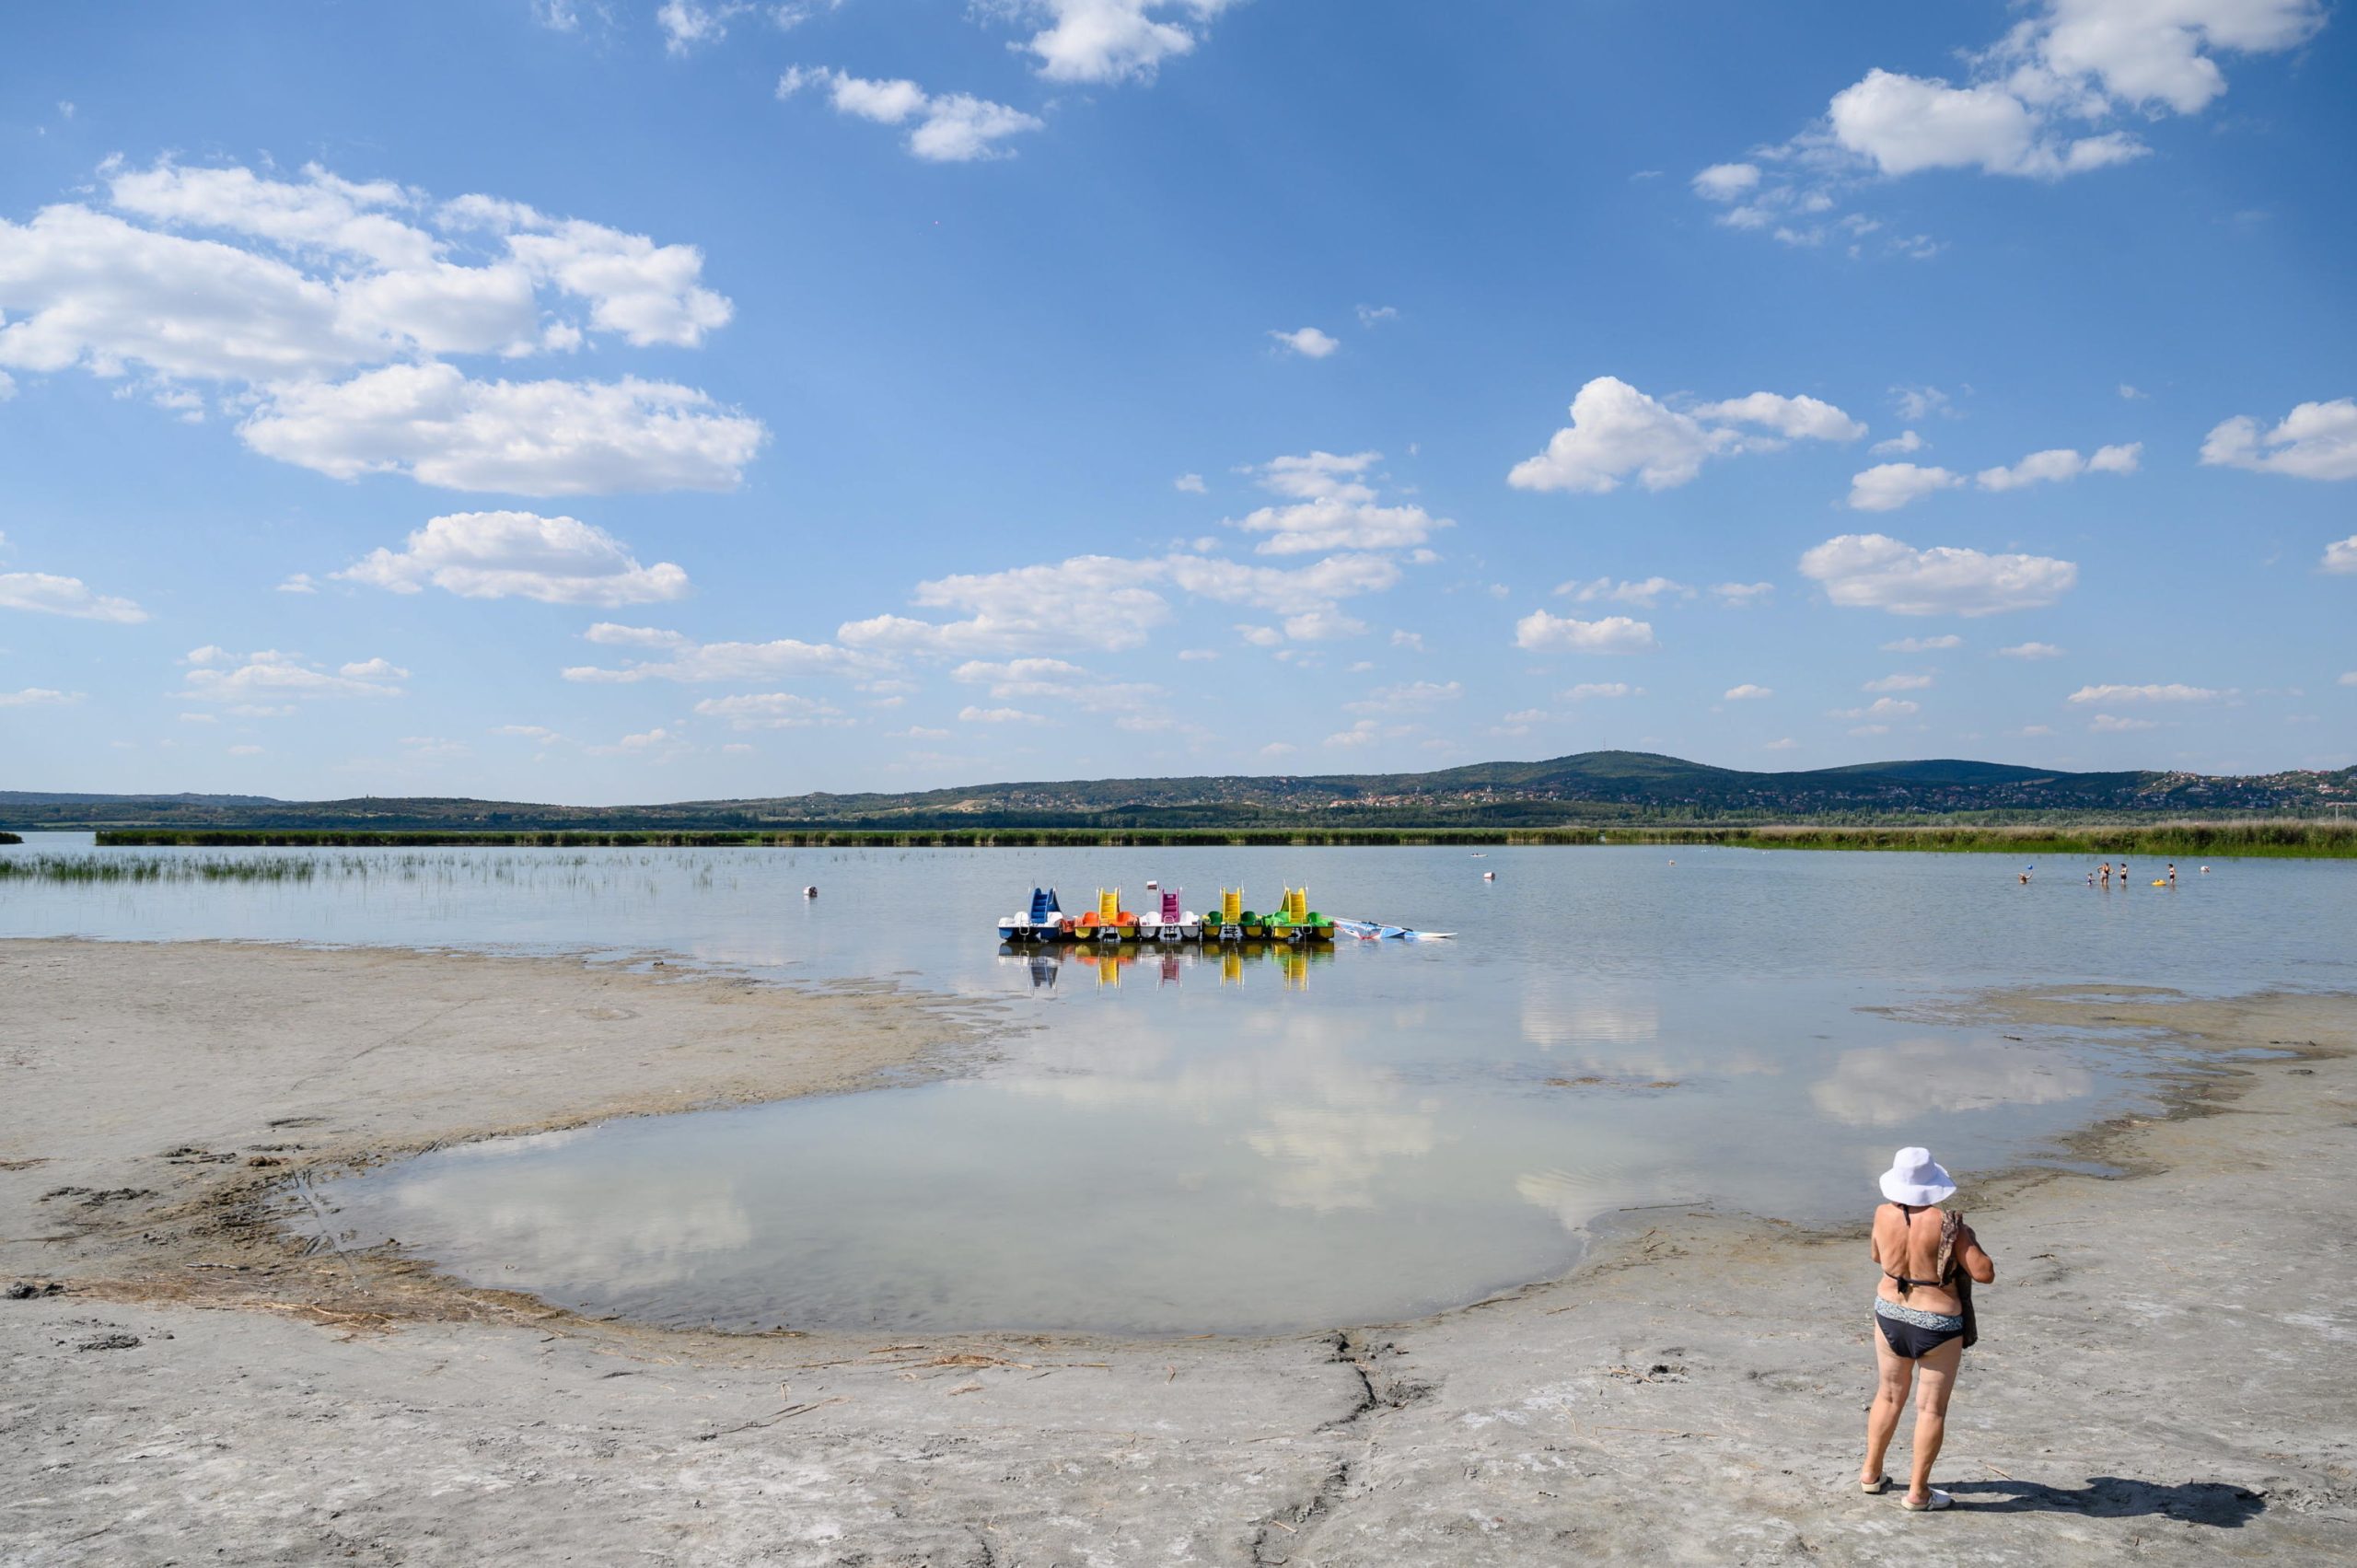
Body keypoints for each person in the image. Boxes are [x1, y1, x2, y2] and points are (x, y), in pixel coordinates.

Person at [1859, 1147, 1997, 1512]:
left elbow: (1878, 1257)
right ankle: (1918, 1493)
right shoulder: (1950, 1226)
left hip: (1889, 1310)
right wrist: (1968, 1240)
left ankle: (1871, 1474)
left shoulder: (1881, 1214)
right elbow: (1985, 1273)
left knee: (1888, 1395)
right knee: (1930, 1410)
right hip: (1937, 1322)